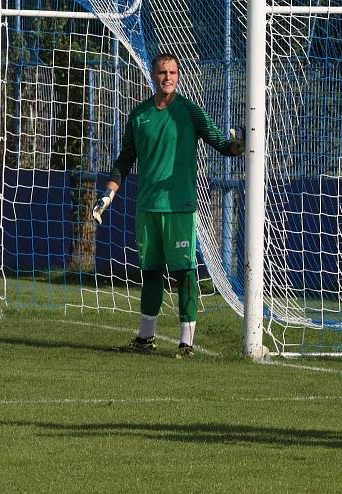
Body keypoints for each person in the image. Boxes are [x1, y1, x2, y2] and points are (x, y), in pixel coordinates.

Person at [92, 53, 245, 358]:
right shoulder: (139, 116)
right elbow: (124, 161)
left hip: (180, 208)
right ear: (153, 75)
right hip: (147, 208)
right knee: (150, 271)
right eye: (162, 72)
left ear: (179, 76)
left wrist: (241, 142)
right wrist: (107, 195)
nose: (167, 77)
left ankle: (186, 343)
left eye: (173, 72)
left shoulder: (189, 112)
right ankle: (145, 339)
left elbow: (223, 145)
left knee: (185, 272)